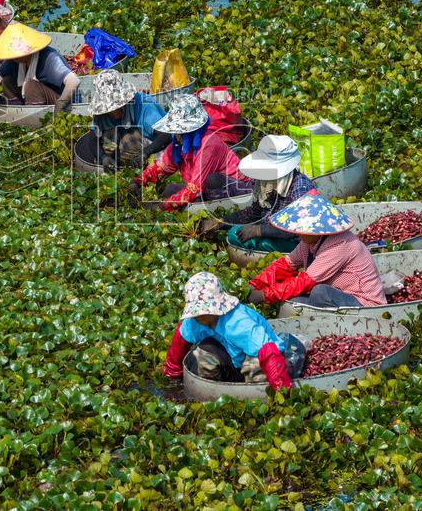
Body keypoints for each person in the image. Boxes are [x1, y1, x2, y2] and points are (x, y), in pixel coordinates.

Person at [162, 272, 303, 389]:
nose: (198, 316)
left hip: (262, 359)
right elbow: (180, 344)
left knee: (255, 374)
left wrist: (281, 388)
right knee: (201, 356)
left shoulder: (238, 323)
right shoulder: (194, 322)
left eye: (203, 312)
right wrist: (172, 379)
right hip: (232, 362)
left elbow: (268, 352)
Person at [247, 193, 386, 308]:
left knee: (320, 292)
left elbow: (304, 281)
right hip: (337, 296)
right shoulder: (308, 241)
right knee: (288, 301)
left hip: (363, 303)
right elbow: (286, 265)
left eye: (302, 229)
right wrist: (256, 284)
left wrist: (264, 295)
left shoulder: (340, 244)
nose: (298, 233)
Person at [131, 94, 252, 211]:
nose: (176, 135)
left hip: (235, 191)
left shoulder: (208, 145)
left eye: (178, 131)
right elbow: (161, 166)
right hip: (203, 187)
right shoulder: (180, 143)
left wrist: (161, 206)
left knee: (210, 183)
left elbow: (195, 189)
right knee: (169, 190)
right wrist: (138, 181)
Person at [222, 135, 319, 253]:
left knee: (241, 236)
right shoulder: (267, 183)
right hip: (272, 233)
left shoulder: (300, 188)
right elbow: (253, 213)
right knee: (234, 232)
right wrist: (221, 222)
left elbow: (300, 228)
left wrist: (260, 230)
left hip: (296, 243)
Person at [0, 23, 81, 112]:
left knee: (31, 86)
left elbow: (74, 81)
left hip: (66, 105)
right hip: (42, 100)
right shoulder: (16, 61)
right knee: (7, 81)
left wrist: (59, 107)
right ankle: (18, 112)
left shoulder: (49, 58)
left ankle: (33, 117)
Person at [87, 70, 170, 169]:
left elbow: (167, 134)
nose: (114, 112)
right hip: (122, 144)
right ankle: (115, 164)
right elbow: (93, 138)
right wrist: (102, 157)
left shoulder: (145, 107)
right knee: (107, 138)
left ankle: (141, 165)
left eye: (117, 107)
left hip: (155, 145)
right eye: (110, 109)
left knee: (130, 140)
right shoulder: (102, 114)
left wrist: (146, 152)